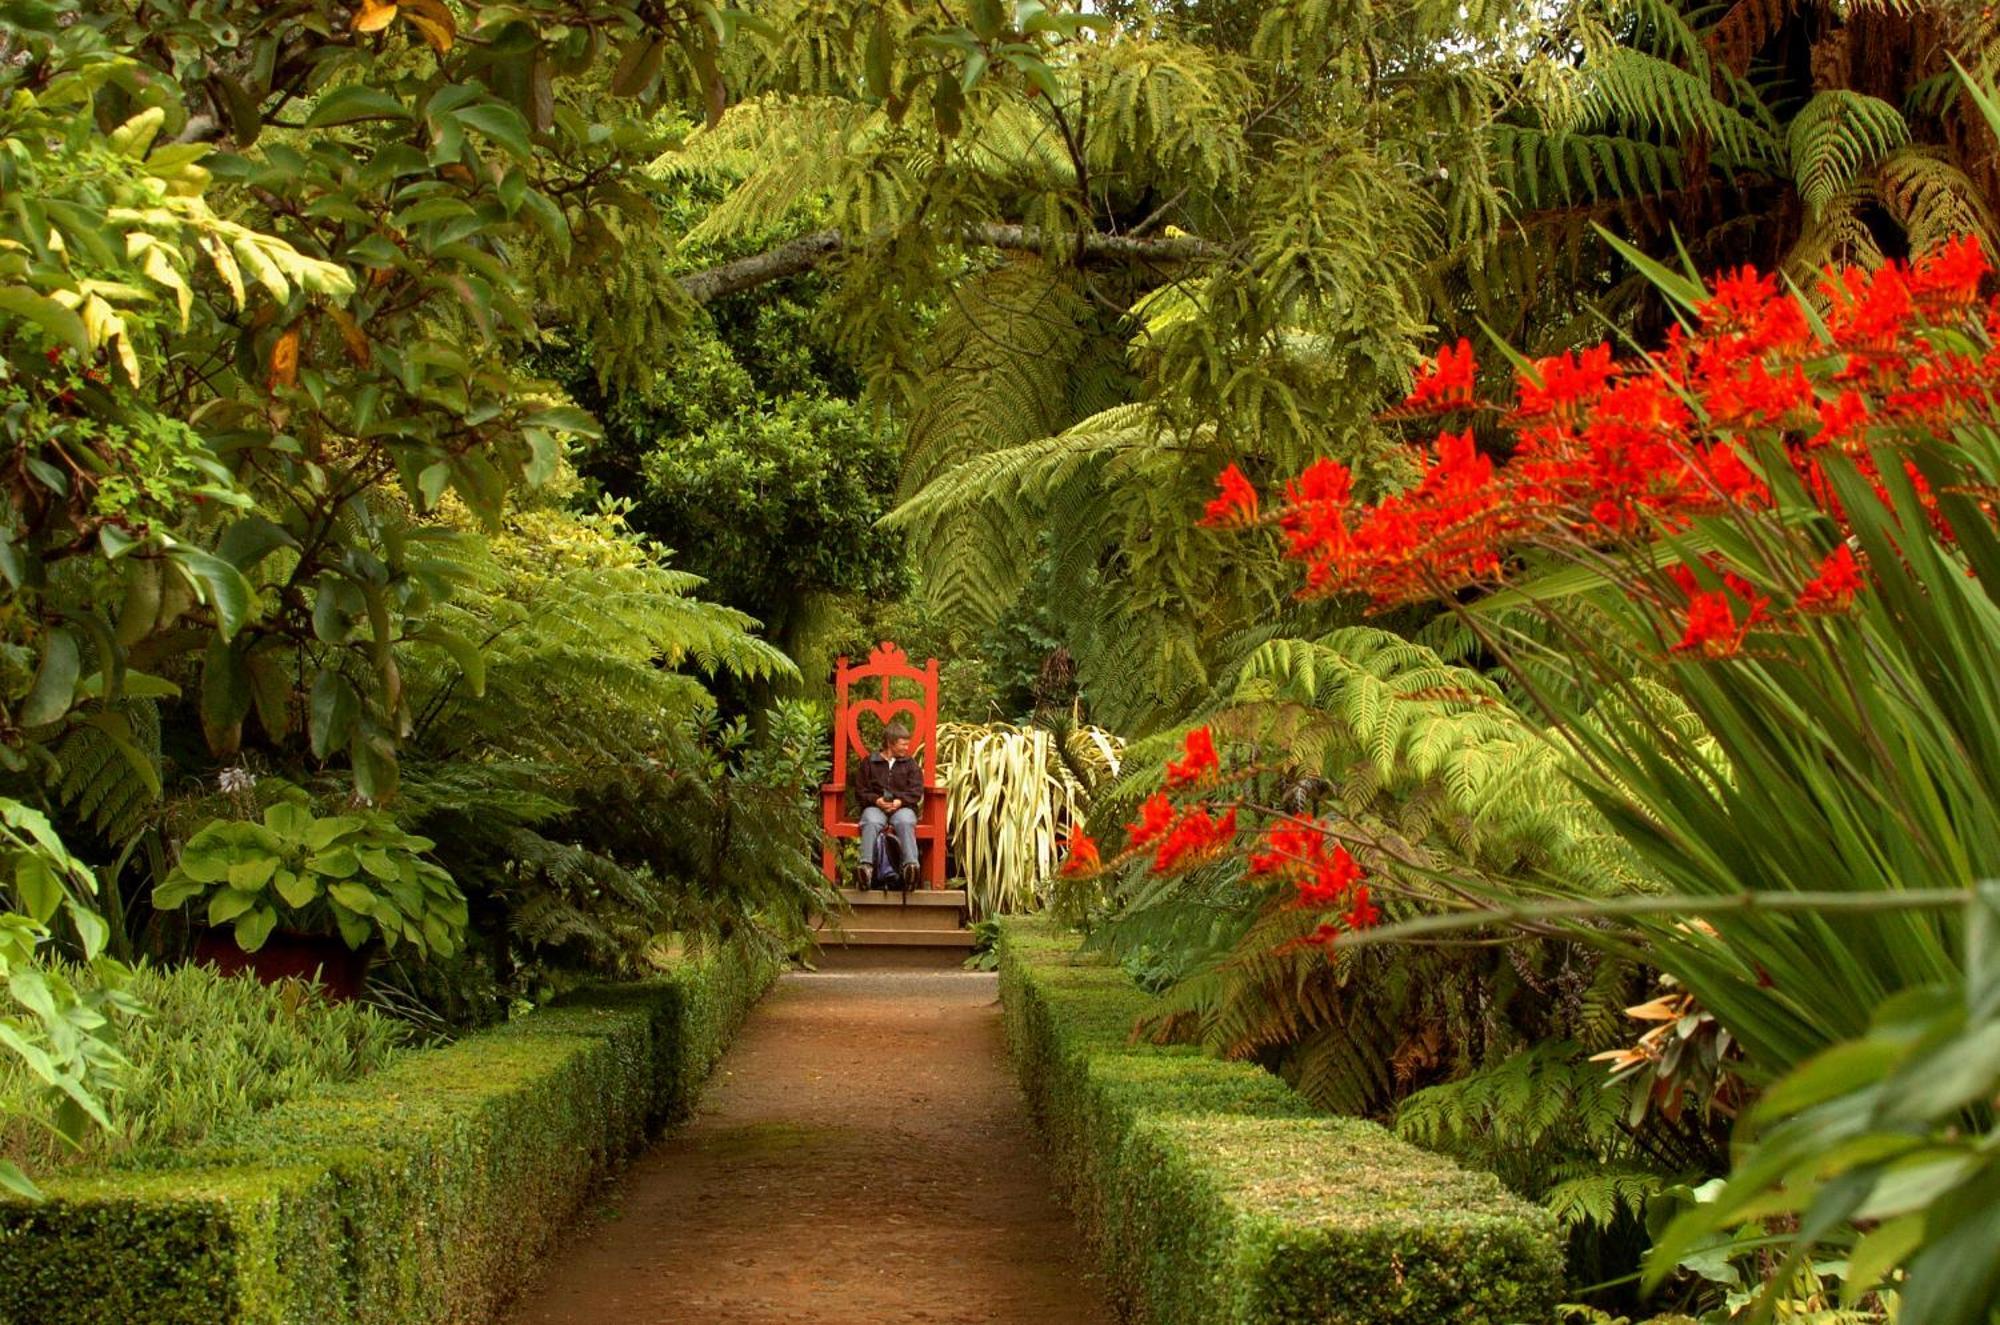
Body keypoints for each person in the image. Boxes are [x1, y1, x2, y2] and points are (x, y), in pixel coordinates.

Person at [854, 722, 924, 890]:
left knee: (905, 822)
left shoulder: (910, 764)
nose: (907, 748)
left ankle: (910, 868)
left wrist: (900, 801)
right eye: (903, 744)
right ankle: (866, 868)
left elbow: (916, 791)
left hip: (902, 807)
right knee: (870, 821)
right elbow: (860, 791)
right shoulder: (869, 763)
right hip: (876, 807)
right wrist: (876, 800)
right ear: (890, 743)